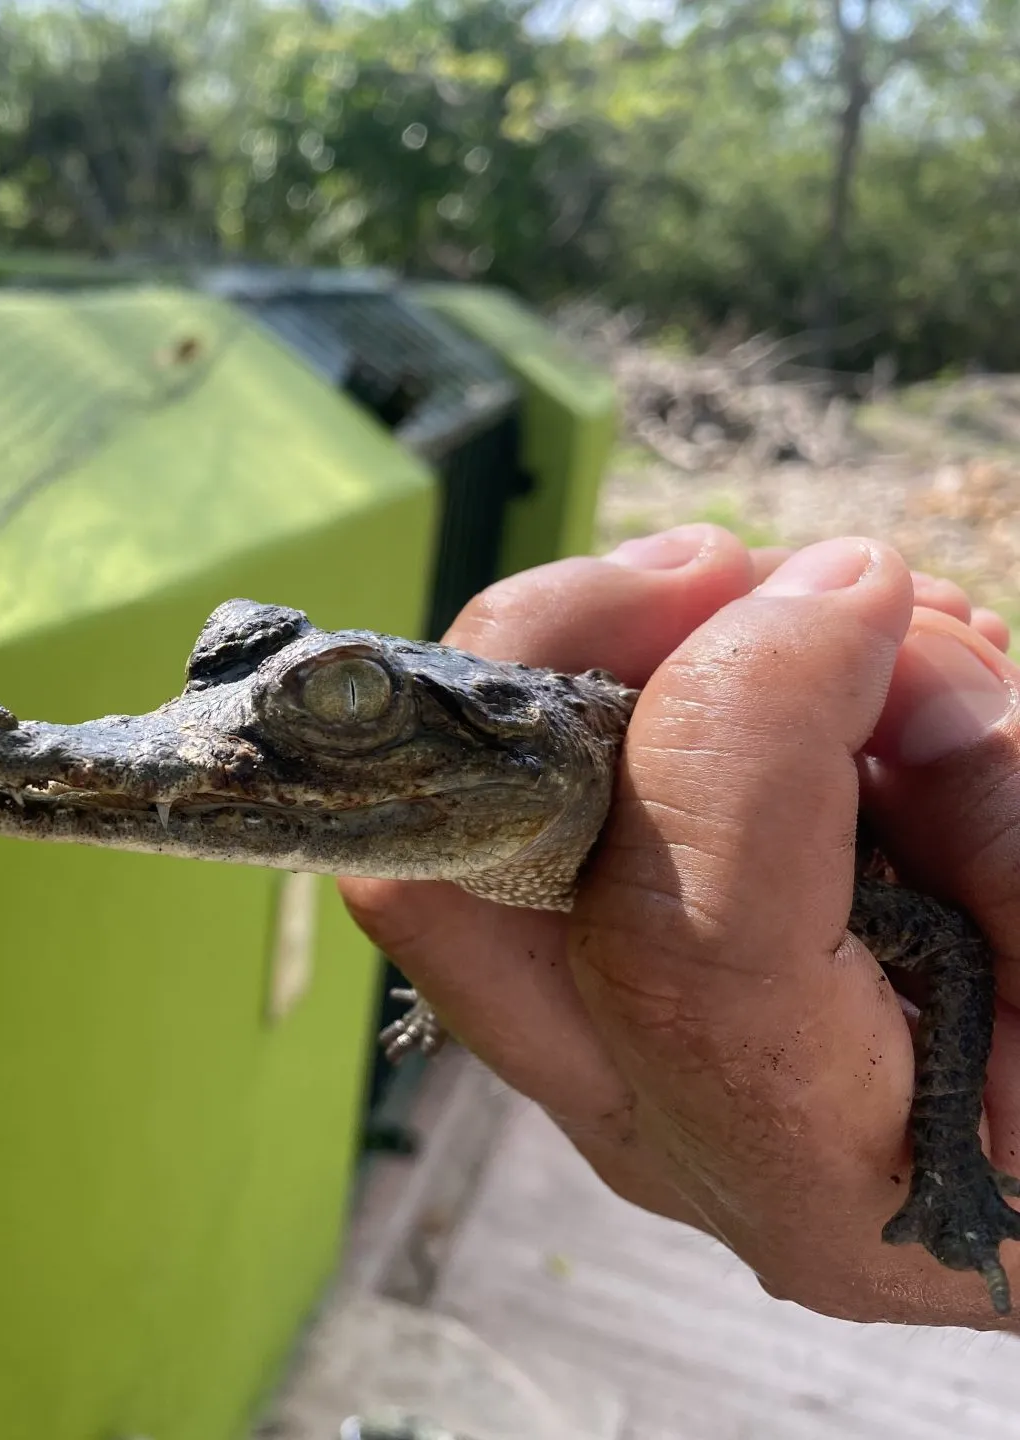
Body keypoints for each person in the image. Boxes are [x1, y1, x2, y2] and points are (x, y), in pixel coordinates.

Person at [337, 524, 1020, 1328]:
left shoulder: (773, 855)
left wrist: (948, 1152)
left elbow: (948, 945)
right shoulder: (510, 841)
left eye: (346, 701)